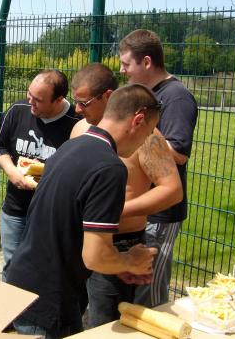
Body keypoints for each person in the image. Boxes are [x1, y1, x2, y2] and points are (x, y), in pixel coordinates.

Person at [6, 84, 160, 338]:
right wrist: (129, 260)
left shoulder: (70, 147)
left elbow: (68, 226)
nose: (146, 141)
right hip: (52, 299)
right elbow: (94, 256)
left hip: (25, 280)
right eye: (149, 133)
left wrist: (116, 265)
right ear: (138, 121)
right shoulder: (110, 168)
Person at [69, 63, 183, 327]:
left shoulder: (147, 136)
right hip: (78, 240)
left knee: (107, 325)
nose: (77, 109)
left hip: (120, 242)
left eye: (84, 103)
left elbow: (172, 190)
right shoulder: (79, 129)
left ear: (108, 97)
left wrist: (115, 212)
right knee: (72, 320)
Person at [119, 29, 198, 307]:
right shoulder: (146, 95)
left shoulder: (176, 97)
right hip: (141, 208)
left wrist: (145, 128)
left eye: (127, 64)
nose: (122, 70)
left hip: (161, 212)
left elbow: (178, 154)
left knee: (148, 290)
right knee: (132, 283)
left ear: (147, 62)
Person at [0, 70, 79, 278]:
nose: (31, 102)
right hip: (16, 208)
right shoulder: (17, 110)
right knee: (13, 266)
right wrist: (12, 171)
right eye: (29, 94)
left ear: (58, 99)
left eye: (38, 100)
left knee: (46, 270)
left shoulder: (76, 122)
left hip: (52, 213)